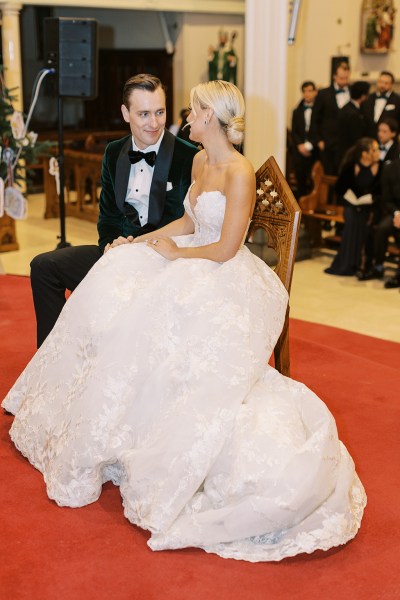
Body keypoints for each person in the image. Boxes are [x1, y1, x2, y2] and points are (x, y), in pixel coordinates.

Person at [2, 80, 366, 563]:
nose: (184, 119)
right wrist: (148, 240)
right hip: (195, 251)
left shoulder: (239, 171)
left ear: (210, 117)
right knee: (119, 271)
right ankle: (85, 400)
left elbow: (227, 247)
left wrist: (176, 257)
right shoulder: (199, 160)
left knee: (160, 308)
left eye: (192, 111)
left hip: (223, 270)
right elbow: (190, 223)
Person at [30, 74, 199, 348]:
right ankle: (54, 359)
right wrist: (110, 246)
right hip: (117, 252)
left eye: (160, 112)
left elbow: (186, 223)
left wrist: (136, 247)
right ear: (125, 113)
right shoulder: (113, 153)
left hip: (162, 261)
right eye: (143, 114)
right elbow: (107, 217)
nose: (154, 123)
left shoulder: (189, 155)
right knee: (43, 267)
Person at [325, 137, 381, 277]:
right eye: (374, 149)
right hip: (351, 205)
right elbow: (340, 188)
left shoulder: (380, 167)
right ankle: (346, 264)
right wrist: (351, 199)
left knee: (363, 220)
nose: (377, 152)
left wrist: (371, 199)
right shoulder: (351, 166)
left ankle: (360, 264)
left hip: (370, 207)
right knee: (351, 217)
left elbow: (380, 191)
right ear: (364, 153)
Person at [358, 156, 400, 285]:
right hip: (396, 212)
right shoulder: (390, 168)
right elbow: (387, 199)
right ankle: (378, 267)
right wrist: (397, 213)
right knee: (381, 229)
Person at [313, 61, 351, 175]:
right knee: (328, 176)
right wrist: (319, 140)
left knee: (345, 175)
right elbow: (315, 119)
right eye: (341, 78)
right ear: (334, 76)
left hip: (347, 144)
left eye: (346, 78)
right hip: (327, 143)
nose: (344, 81)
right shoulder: (323, 94)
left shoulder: (353, 93)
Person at [290, 80, 319, 198]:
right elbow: (294, 131)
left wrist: (311, 144)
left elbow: (320, 129)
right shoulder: (296, 111)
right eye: (305, 91)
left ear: (315, 92)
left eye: (310, 91)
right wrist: (300, 145)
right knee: (300, 178)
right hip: (299, 151)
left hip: (315, 150)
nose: (307, 94)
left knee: (313, 179)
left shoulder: (319, 110)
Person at [336, 80, 370, 166]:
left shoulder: (346, 107)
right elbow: (356, 138)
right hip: (349, 154)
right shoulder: (353, 114)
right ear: (362, 96)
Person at [362, 71, 400, 138]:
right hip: (369, 139)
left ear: (391, 85)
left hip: (390, 140)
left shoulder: (397, 100)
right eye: (380, 82)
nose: (382, 85)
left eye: (386, 83)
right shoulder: (368, 98)